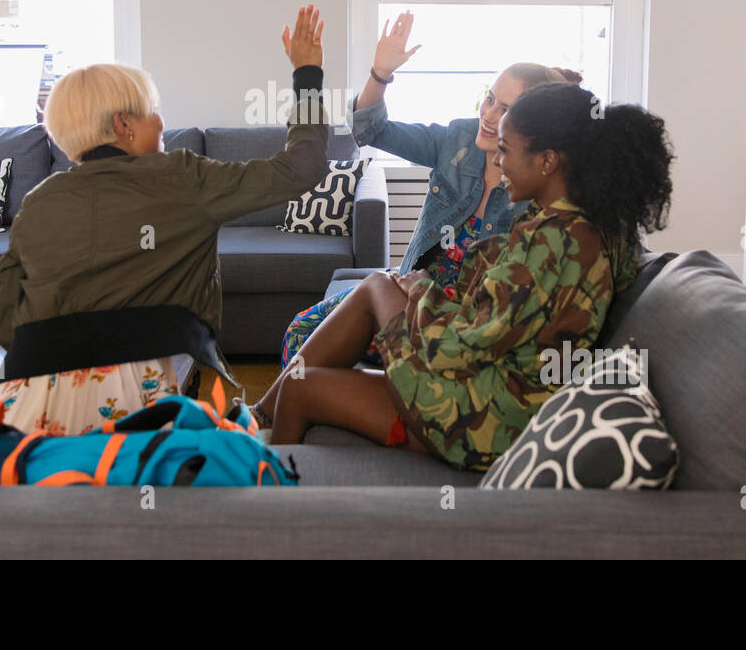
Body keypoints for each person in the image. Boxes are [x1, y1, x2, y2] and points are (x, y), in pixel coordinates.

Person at [260, 81, 674, 471]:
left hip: (488, 423)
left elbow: (456, 348)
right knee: (376, 289)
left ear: (548, 161)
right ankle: (251, 420)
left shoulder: (549, 245)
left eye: (506, 151)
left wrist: (418, 288)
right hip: (500, 392)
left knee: (307, 379)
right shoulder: (592, 224)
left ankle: (263, 493)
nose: (497, 161)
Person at [0, 5, 329, 435]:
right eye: (154, 110)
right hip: (135, 404)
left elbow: (7, 320)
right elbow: (302, 167)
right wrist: (308, 75)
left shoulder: (37, 202)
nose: (163, 122)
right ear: (124, 125)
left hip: (23, 404)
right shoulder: (181, 178)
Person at [269, 9, 579, 402]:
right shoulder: (459, 138)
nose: (488, 116)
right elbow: (370, 129)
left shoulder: (538, 186)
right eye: (489, 100)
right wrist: (380, 74)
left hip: (457, 321)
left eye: (506, 110)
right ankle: (288, 428)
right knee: (301, 330)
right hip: (406, 289)